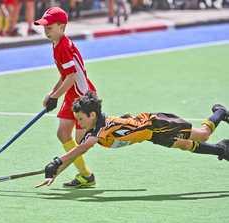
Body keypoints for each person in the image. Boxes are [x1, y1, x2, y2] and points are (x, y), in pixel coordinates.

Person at [36, 92, 229, 187]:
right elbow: (77, 151)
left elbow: (82, 149)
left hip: (158, 124)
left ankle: (220, 112)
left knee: (203, 135)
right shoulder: (93, 129)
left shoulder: (102, 129)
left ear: (93, 115)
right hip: (152, 136)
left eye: (80, 119)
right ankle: (222, 150)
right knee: (185, 146)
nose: (78, 123)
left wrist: (56, 162)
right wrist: (56, 172)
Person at [34, 7, 98, 188]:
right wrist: (51, 94)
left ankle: (103, 133)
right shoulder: (56, 44)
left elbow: (71, 78)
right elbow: (65, 74)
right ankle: (86, 175)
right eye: (44, 27)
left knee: (80, 141)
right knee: (63, 134)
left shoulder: (63, 46)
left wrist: (55, 97)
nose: (46, 30)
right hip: (71, 94)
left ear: (62, 27)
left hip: (82, 97)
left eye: (50, 27)